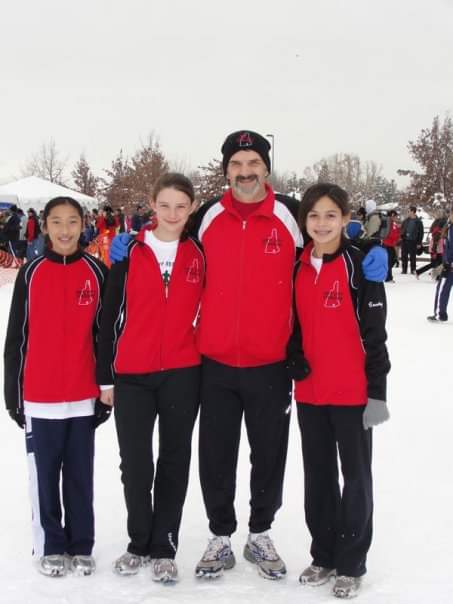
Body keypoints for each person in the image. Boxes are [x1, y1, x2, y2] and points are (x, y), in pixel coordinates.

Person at [109, 130, 389, 581]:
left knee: (269, 453)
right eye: (236, 166)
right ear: (226, 171)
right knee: (216, 452)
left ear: (266, 168)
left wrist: (372, 251)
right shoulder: (206, 217)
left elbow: (328, 244)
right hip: (214, 361)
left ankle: (260, 532)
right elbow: (168, 238)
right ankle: (220, 536)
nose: (245, 173)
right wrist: (128, 246)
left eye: (253, 164)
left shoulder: (289, 215)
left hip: (272, 364)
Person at [97, 173, 204, 583]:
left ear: (192, 208)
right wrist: (105, 375)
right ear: (152, 206)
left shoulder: (199, 253)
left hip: (182, 372)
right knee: (136, 464)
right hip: (133, 375)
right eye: (165, 205)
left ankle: (164, 545)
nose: (173, 214)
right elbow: (109, 317)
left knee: (175, 460)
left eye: (181, 206)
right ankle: (138, 541)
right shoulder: (128, 252)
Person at [288, 183, 390, 599]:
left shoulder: (360, 265)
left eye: (331, 215)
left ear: (346, 218)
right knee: (318, 477)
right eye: (314, 216)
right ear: (304, 222)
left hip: (353, 393)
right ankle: (324, 554)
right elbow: (291, 321)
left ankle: (351, 561)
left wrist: (377, 392)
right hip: (311, 392)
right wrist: (294, 354)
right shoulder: (297, 265)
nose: (322, 223)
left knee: (356, 478)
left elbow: (375, 335)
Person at [3, 196, 110, 578]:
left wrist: (104, 389)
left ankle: (81, 544)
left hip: (82, 396)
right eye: (57, 222)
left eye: (72, 222)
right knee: (45, 477)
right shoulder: (31, 273)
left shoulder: (97, 272)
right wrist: (13, 395)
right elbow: (16, 337)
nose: (65, 230)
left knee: (80, 477)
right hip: (41, 397)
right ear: (44, 226)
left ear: (84, 225)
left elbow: (104, 337)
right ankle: (51, 544)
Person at [427, 208, 453, 322]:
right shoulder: (449, 226)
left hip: (450, 265)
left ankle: (440, 314)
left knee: (442, 289)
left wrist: (448, 262)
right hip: (447, 262)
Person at [415, 209, 447, 279]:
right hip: (436, 249)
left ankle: (437, 276)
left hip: (438, 248)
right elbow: (435, 240)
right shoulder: (439, 229)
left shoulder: (438, 226)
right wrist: (434, 251)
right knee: (435, 263)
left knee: (438, 263)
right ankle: (419, 272)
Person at [400, 206, 424, 274]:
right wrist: (402, 235)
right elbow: (402, 229)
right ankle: (404, 270)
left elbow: (421, 233)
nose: (408, 212)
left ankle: (413, 270)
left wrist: (419, 243)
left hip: (413, 241)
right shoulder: (406, 220)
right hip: (404, 241)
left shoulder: (418, 222)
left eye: (409, 211)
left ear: (413, 211)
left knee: (412, 257)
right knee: (404, 256)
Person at [382, 210, 400, 282]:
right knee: (390, 261)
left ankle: (387, 275)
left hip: (390, 244)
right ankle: (388, 277)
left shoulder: (392, 223)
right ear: (392, 215)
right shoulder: (388, 222)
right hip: (387, 244)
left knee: (392, 260)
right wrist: (398, 234)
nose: (396, 218)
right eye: (395, 216)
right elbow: (391, 234)